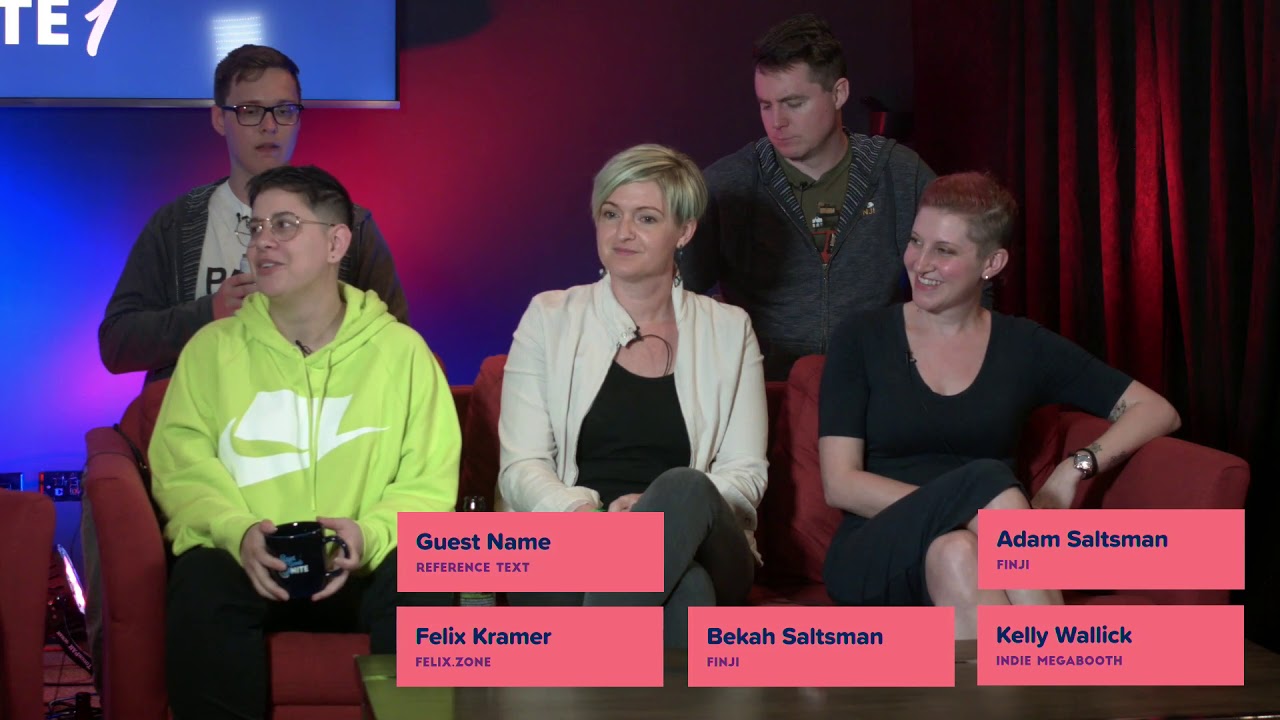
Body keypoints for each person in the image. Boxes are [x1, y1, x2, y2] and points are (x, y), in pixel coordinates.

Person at [148, 165, 457, 718]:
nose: (262, 241)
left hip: (362, 565)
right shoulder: (211, 350)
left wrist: (371, 534)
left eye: (285, 225)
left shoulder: (403, 352)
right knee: (201, 579)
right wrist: (238, 531)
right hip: (249, 562)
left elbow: (427, 481)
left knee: (424, 575)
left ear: (336, 242)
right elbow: (182, 465)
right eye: (256, 227)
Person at [818, 172, 1181, 639]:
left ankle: (1026, 679)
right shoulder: (861, 337)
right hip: (877, 549)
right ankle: (1065, 656)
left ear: (991, 262)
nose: (920, 263)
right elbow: (841, 485)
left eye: (944, 250)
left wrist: (1072, 469)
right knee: (988, 480)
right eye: (915, 241)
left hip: (980, 549)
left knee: (957, 553)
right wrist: (970, 506)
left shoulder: (1024, 346)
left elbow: (1155, 409)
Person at [497, 144, 768, 647]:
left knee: (684, 487)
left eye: (646, 218)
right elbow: (521, 466)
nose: (623, 232)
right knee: (689, 590)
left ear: (684, 231)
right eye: (611, 214)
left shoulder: (730, 330)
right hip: (572, 542)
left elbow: (745, 474)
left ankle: (592, 656)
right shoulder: (549, 318)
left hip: (703, 540)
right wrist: (588, 520)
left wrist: (656, 516)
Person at [98, 44, 408, 385]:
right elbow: (117, 344)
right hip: (201, 413)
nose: (269, 126)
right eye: (250, 110)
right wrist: (208, 313)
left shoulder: (349, 225)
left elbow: (395, 345)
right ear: (220, 119)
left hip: (317, 413)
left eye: (284, 110)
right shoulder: (176, 225)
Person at [679, 14, 937, 381]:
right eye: (766, 105)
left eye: (794, 103)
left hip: (874, 387)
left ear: (839, 93)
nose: (777, 122)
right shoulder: (728, 183)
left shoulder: (899, 175)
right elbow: (675, 292)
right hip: (764, 391)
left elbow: (963, 280)